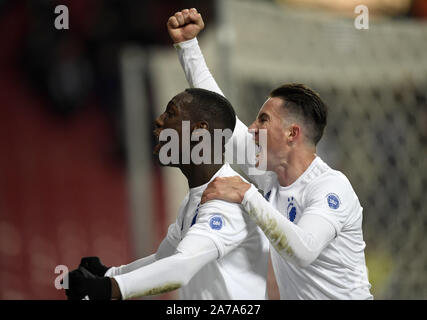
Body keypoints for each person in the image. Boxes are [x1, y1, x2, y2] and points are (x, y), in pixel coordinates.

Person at [167, 8, 373, 300]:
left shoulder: (330, 187)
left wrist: (246, 194)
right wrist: (188, 46)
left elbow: (304, 249)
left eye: (263, 120)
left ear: (292, 134)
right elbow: (221, 116)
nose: (251, 128)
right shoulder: (270, 174)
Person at [64, 88, 270, 300]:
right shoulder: (196, 198)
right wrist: (109, 274)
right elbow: (165, 259)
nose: (159, 121)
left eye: (170, 113)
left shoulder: (227, 202)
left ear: (200, 132)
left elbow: (181, 267)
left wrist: (108, 288)